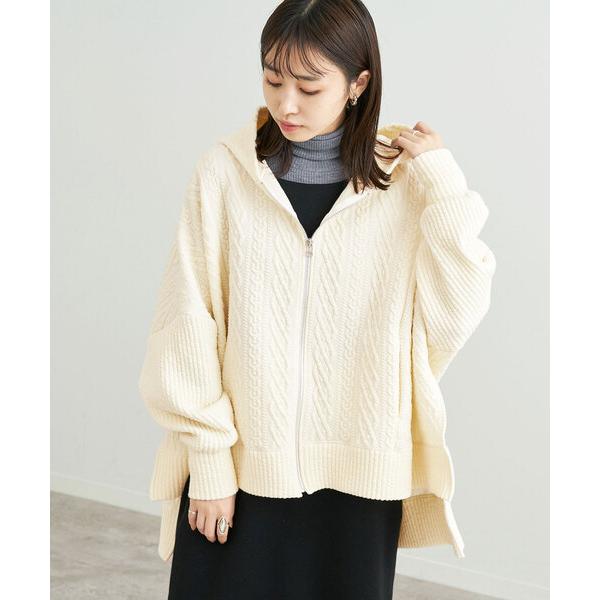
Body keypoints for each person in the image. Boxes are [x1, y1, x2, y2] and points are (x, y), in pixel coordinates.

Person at [138, 1, 497, 598]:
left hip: (361, 480)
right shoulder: (224, 173)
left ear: (358, 84)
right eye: (273, 80)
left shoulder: (407, 184)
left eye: (309, 87)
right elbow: (187, 320)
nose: (287, 104)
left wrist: (443, 182)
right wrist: (210, 462)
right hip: (239, 468)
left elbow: (456, 310)